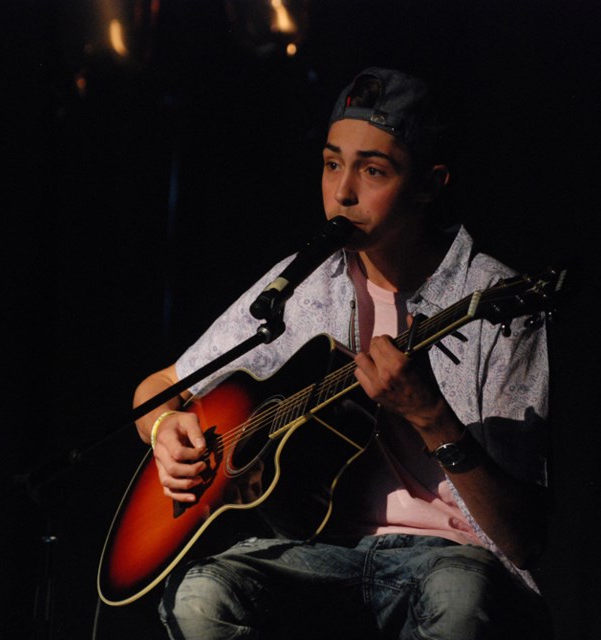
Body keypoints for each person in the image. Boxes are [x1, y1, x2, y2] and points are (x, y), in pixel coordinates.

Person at [133, 67, 553, 639]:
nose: (343, 192)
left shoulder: (497, 302)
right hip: (314, 550)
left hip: (448, 556)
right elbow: (158, 389)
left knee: (459, 597)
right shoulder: (301, 285)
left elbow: (521, 537)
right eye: (332, 164)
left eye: (373, 170)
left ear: (430, 184)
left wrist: (431, 417)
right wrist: (164, 431)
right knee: (203, 597)